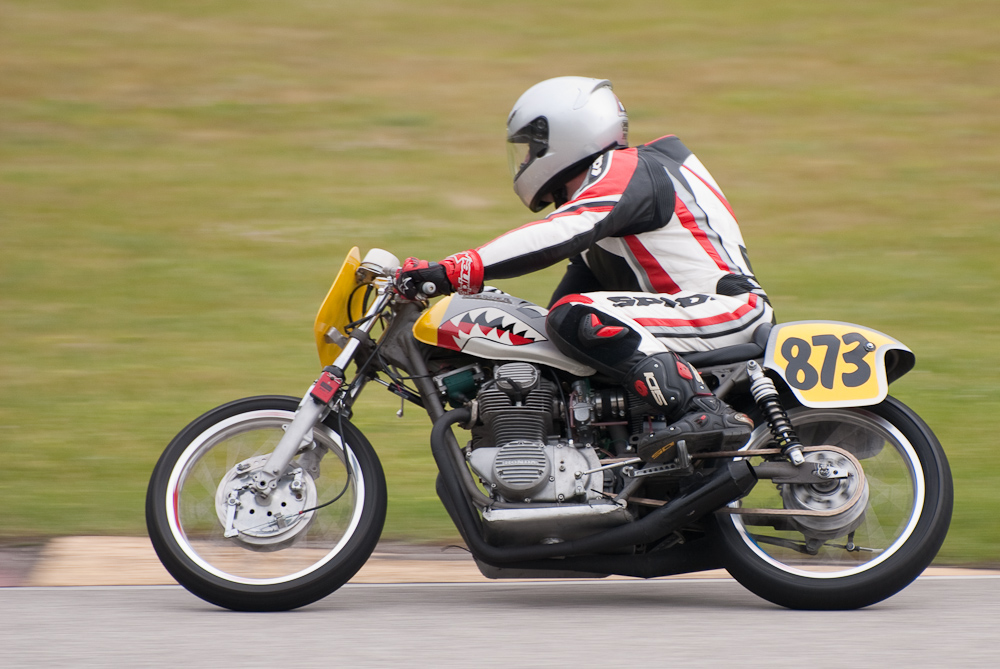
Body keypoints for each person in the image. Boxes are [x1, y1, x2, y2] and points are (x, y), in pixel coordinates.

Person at [397, 76, 773, 463]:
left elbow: (561, 231)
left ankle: (702, 413)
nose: (525, 161)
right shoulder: (607, 215)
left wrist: (455, 270)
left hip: (724, 309)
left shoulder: (628, 166)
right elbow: (557, 323)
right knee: (559, 336)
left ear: (566, 133)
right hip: (690, 316)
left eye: (532, 147)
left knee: (576, 315)